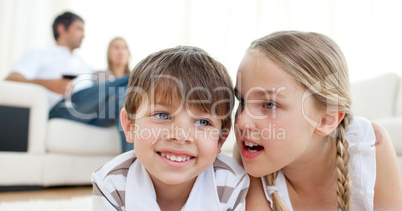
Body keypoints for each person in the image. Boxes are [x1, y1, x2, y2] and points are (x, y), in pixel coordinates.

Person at [233, 31, 402, 210]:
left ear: (326, 120)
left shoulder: (369, 148)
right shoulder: (250, 154)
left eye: (269, 104)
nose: (241, 122)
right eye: (241, 101)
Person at [91, 46, 250, 210]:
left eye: (202, 122)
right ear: (130, 126)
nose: (180, 136)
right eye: (162, 115)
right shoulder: (111, 184)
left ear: (221, 139)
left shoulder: (230, 183)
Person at [5, 11, 132, 152]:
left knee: (126, 95)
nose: (83, 35)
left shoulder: (84, 64)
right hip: (62, 107)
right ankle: (140, 75)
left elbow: (98, 91)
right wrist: (49, 83)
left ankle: (133, 168)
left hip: (89, 109)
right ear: (62, 29)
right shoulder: (39, 54)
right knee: (131, 80)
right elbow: (11, 79)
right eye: (79, 29)